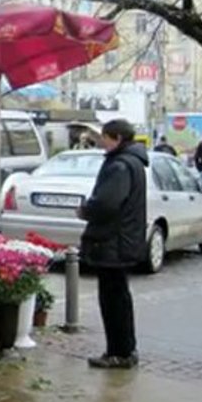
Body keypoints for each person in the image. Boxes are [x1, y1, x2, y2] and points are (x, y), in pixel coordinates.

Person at [77, 119, 146, 369]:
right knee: (119, 297)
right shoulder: (132, 162)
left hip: (113, 242)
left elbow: (107, 203)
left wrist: (86, 210)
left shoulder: (120, 166)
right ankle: (124, 349)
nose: (101, 141)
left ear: (116, 138)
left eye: (104, 137)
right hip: (120, 240)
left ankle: (119, 352)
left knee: (113, 299)